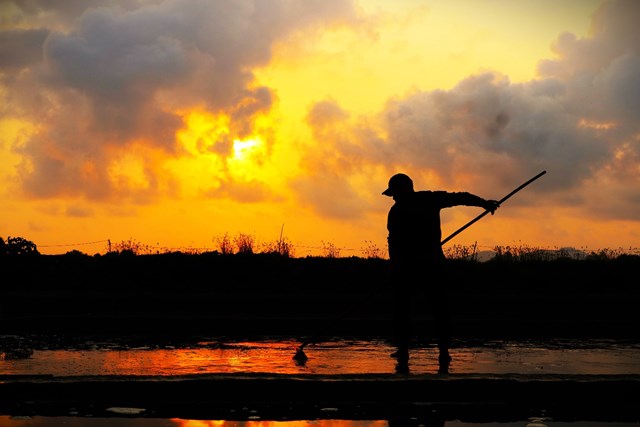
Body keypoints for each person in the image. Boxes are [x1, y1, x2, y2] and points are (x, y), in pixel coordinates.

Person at [382, 172, 500, 372]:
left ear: (404, 189)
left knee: (434, 310)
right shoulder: (407, 207)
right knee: (409, 310)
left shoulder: (423, 201)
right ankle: (411, 350)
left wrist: (483, 203)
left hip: (427, 266)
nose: (393, 197)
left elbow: (461, 197)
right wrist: (396, 266)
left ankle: (440, 352)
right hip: (413, 267)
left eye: (395, 193)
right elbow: (393, 241)